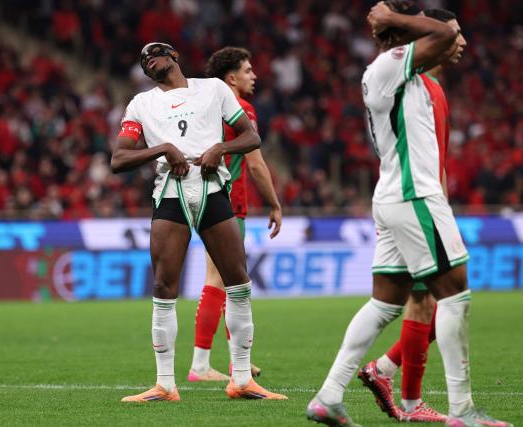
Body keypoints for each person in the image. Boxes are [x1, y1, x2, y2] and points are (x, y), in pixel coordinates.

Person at [306, 2, 511, 426]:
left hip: (395, 196)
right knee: (454, 294)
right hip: (414, 195)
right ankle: (462, 411)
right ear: (408, 35)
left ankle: (328, 396)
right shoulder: (392, 64)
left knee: (385, 304)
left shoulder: (401, 74)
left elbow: (443, 38)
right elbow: (442, 35)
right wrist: (399, 21)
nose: (461, 43)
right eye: (447, 34)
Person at [111, 42, 287, 402]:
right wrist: (163, 149)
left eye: (155, 54)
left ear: (174, 55)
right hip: (170, 193)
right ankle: (165, 385)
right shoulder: (141, 103)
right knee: (163, 286)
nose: (149, 61)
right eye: (143, 60)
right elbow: (119, 159)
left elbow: (251, 136)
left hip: (211, 188)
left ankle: (241, 379)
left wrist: (220, 149)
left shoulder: (213, 88)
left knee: (237, 281)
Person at [358, 8, 465, 423]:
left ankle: (386, 374)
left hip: (421, 199)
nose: (463, 43)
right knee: (436, 298)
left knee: (427, 298)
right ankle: (400, 390)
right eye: (457, 36)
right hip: (419, 201)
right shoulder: (421, 85)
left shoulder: (426, 86)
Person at [187, 47, 282, 383]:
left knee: (225, 282)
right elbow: (255, 163)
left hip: (201, 199)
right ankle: (202, 365)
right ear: (231, 78)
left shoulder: (202, 107)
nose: (253, 75)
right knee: (226, 282)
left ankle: (233, 361)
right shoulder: (241, 109)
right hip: (230, 204)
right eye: (247, 70)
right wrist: (274, 203)